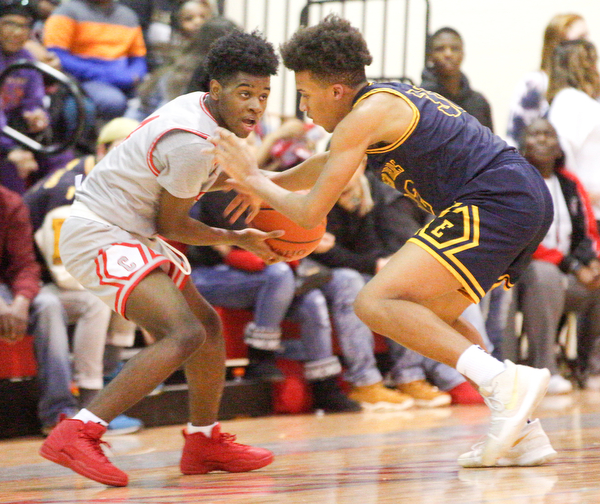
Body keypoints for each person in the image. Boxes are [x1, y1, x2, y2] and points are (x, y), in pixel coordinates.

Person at [208, 15, 556, 468]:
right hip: (516, 196)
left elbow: (311, 211)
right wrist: (265, 182)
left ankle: (505, 382)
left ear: (334, 91)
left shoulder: (365, 116)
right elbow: (323, 167)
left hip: (496, 199)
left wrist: (253, 175)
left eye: (306, 95)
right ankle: (522, 432)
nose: (305, 109)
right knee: (431, 315)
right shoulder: (376, 105)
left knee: (374, 302)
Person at [39, 29, 282, 487]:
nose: (255, 105)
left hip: (131, 230)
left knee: (207, 327)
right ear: (216, 90)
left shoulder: (203, 114)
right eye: (245, 93)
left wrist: (254, 181)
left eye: (264, 95)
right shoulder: (192, 140)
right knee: (185, 331)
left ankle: (204, 441)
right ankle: (77, 431)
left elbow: (181, 181)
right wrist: (241, 238)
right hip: (100, 232)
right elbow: (174, 226)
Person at [312, 165, 483, 407]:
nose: (345, 173)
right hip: (323, 271)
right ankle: (365, 382)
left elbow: (371, 246)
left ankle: (409, 376)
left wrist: (383, 265)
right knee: (350, 283)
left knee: (402, 286)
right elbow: (325, 253)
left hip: (359, 266)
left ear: (361, 166)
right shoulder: (318, 197)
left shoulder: (367, 192)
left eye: (352, 166)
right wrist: (375, 265)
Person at [187, 190, 361, 413]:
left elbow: (257, 251)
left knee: (312, 300)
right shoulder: (212, 193)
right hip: (203, 274)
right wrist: (283, 250)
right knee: (279, 273)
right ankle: (260, 355)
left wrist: (297, 243)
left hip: (257, 276)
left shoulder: (262, 185)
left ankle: (325, 386)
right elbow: (236, 250)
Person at [24, 117, 144, 434]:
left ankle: (107, 381)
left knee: (133, 285)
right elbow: (64, 272)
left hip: (58, 274)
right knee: (100, 297)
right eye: (123, 151)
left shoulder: (114, 180)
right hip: (32, 278)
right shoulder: (69, 189)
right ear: (102, 149)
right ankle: (94, 402)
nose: (130, 160)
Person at [516, 118, 600, 393]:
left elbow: (587, 232)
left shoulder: (569, 183)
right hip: (527, 273)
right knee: (546, 274)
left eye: (548, 135)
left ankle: (590, 366)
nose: (542, 140)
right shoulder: (516, 181)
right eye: (535, 134)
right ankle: (545, 368)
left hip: (570, 272)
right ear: (523, 145)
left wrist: (592, 263)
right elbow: (523, 240)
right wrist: (574, 266)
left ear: (558, 146)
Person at [0, 185, 79, 433]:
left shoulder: (9, 202)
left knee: (48, 305)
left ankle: (59, 412)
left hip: (7, 288)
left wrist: (22, 301)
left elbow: (25, 264)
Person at [0, 0, 74, 194]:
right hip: (5, 137)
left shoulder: (27, 59)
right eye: (10, 24)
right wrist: (10, 150)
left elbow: (33, 101)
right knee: (12, 167)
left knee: (63, 159)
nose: (17, 32)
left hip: (14, 130)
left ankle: (49, 213)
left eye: (24, 26)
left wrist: (36, 115)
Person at [43, 0, 148, 122]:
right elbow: (57, 56)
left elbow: (138, 59)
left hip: (123, 78)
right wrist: (104, 74)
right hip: (82, 79)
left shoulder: (128, 16)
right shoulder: (66, 12)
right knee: (112, 101)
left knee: (155, 99)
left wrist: (131, 76)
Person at [505, 13, 589, 148]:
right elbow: (515, 137)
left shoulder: (590, 86)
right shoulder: (535, 83)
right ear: (559, 43)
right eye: (580, 38)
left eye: (587, 37)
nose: (587, 45)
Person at [547, 39, 600, 226]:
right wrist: (580, 194)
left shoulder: (584, 100)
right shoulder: (569, 99)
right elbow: (563, 151)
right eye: (592, 61)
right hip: (588, 211)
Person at [420, 26, 493, 131]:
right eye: (440, 49)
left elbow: (491, 145)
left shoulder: (479, 102)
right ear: (430, 56)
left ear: (462, 54)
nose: (448, 54)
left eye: (454, 49)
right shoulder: (421, 100)